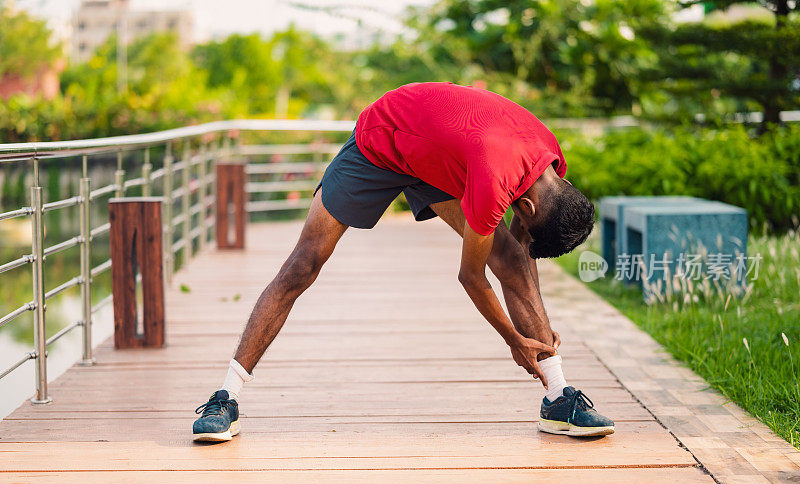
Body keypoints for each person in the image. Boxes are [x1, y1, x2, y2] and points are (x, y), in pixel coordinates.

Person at [192, 82, 614, 442]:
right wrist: (513, 338)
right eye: (523, 218)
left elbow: (522, 247)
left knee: (510, 257)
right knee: (303, 265)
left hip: (441, 153)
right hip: (382, 139)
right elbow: (471, 276)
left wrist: (533, 318)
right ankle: (226, 397)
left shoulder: (552, 166)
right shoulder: (496, 179)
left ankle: (558, 397)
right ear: (525, 205)